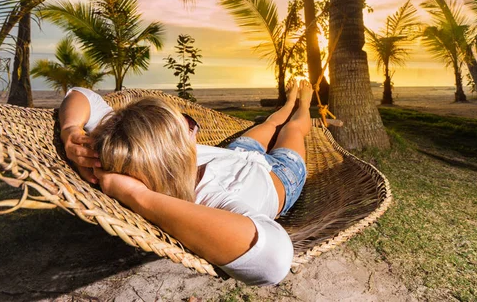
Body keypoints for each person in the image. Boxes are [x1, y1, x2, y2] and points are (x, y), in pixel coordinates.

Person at [59, 79, 312, 285]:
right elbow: (274, 260)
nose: (195, 131)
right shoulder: (210, 201)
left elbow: (82, 95)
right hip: (282, 173)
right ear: (171, 154)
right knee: (293, 129)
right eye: (189, 127)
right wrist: (138, 196)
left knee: (271, 122)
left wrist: (70, 129)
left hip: (239, 151)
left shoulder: (139, 151)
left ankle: (289, 101)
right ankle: (304, 103)